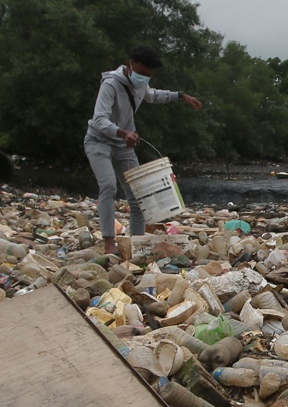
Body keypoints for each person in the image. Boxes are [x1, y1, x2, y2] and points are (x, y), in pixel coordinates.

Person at [84, 45, 202, 256]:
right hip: (99, 141)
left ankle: (135, 243)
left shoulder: (140, 84)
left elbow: (153, 95)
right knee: (108, 186)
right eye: (141, 72)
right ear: (129, 65)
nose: (144, 78)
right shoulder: (110, 84)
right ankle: (109, 241)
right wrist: (123, 132)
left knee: (138, 197)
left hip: (124, 145)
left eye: (149, 75)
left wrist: (181, 95)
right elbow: (99, 119)